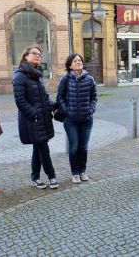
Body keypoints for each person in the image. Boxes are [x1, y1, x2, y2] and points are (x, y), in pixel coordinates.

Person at [12, 45, 58, 190]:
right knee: (43, 148)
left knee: (37, 148)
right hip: (33, 119)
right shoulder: (20, 75)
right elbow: (20, 100)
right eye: (34, 53)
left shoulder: (37, 74)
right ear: (26, 56)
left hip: (42, 117)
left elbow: (43, 96)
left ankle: (35, 177)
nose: (38, 56)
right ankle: (52, 177)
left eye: (39, 54)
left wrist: (52, 105)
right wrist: (34, 114)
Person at [56, 53, 97, 184]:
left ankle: (82, 171)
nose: (78, 62)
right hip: (71, 120)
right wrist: (67, 111)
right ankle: (75, 172)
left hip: (86, 120)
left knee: (83, 147)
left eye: (80, 60)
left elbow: (94, 97)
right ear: (70, 65)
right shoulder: (65, 80)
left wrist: (90, 110)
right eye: (75, 60)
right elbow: (60, 98)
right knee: (74, 147)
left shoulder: (89, 79)